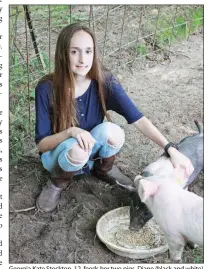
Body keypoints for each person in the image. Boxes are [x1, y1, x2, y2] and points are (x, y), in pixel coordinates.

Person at [35, 23, 194, 213]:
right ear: (63, 54)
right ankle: (57, 183)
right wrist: (71, 131)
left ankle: (103, 169)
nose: (82, 59)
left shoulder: (105, 82)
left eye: (88, 51)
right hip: (58, 156)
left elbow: (139, 119)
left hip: (89, 151)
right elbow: (42, 145)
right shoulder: (46, 88)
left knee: (113, 132)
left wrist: (171, 149)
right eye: (74, 51)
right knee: (76, 149)